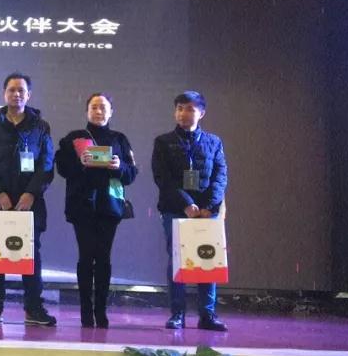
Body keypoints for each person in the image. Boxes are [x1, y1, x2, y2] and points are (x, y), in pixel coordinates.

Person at [0, 72, 57, 326]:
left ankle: (34, 309)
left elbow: (46, 164)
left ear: (28, 95)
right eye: (12, 90)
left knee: (31, 256)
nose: (16, 94)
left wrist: (31, 193)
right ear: (4, 94)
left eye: (21, 90)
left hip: (29, 202)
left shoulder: (40, 126)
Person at [54, 93, 137, 328]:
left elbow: (131, 174)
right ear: (87, 111)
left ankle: (101, 311)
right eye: (94, 107)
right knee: (85, 257)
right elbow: (62, 169)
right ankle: (85, 311)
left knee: (103, 258)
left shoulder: (119, 139)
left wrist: (119, 167)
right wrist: (81, 163)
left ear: (111, 112)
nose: (99, 111)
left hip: (109, 207)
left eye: (103, 107)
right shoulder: (74, 138)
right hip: (81, 206)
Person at [151, 90, 228, 331]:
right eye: (179, 109)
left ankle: (207, 315)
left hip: (206, 212)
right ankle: (177, 314)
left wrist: (208, 206)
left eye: (190, 109)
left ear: (201, 113)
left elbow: (220, 176)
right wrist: (185, 203)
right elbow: (162, 178)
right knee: (178, 260)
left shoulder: (214, 142)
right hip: (175, 209)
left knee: (207, 260)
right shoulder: (163, 142)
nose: (183, 113)